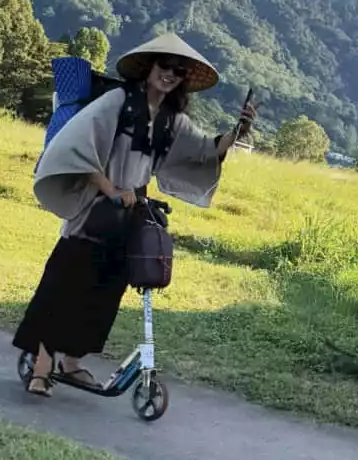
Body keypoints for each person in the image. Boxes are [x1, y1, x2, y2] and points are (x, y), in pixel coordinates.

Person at [14, 32, 257, 397]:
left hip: (129, 216)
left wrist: (240, 129)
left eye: (178, 70)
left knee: (104, 290)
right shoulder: (117, 100)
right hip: (94, 209)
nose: (170, 74)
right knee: (65, 285)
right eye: (165, 66)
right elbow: (79, 149)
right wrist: (111, 189)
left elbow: (205, 151)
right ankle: (41, 369)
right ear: (149, 66)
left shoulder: (173, 120)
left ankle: (73, 363)